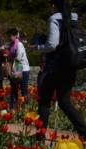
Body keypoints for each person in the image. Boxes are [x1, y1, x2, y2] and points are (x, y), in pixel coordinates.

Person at [33, 0, 86, 137]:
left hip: (56, 67)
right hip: (70, 66)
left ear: (53, 5)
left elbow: (53, 45)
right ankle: (84, 132)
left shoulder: (54, 18)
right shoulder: (73, 17)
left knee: (44, 99)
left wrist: (37, 48)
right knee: (64, 101)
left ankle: (40, 134)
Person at [6, 28, 30, 109]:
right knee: (14, 89)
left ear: (15, 35)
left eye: (11, 35)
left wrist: (9, 59)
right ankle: (13, 107)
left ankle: (25, 107)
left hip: (22, 68)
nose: (9, 37)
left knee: (23, 89)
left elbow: (18, 58)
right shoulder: (11, 44)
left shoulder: (19, 44)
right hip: (15, 68)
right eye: (8, 36)